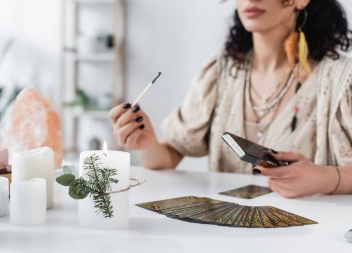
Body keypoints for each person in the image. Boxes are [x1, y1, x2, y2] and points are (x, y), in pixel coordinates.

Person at [110, 0, 352, 198]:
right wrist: (146, 143)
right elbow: (169, 154)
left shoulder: (341, 82)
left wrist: (326, 179)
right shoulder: (220, 73)